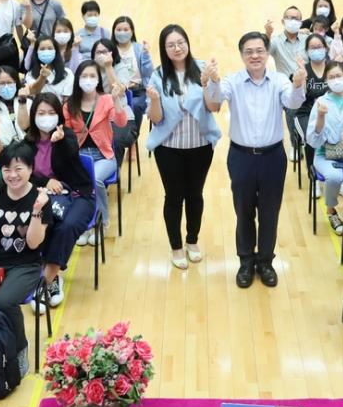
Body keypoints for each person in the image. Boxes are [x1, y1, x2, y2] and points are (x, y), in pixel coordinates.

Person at [204, 32, 306, 288]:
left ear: (267, 53)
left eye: (260, 50)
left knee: (270, 212)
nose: (255, 55)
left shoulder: (280, 80)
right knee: (244, 211)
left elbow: (293, 101)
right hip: (241, 157)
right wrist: (213, 81)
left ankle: (266, 261)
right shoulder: (233, 81)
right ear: (241, 55)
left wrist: (298, 83)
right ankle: (246, 261)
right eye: (249, 51)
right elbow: (215, 100)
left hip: (273, 157)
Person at [0, 141, 51, 377]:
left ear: (30, 168)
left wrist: (36, 211)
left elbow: (34, 244)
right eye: (7, 169)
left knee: (4, 302)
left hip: (25, 264)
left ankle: (19, 348)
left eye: (18, 169)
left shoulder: (40, 199)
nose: (12, 175)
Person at [147, 25, 222, 269]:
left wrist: (209, 83)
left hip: (200, 146)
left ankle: (192, 240)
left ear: (188, 43)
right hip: (169, 149)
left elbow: (214, 107)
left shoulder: (202, 68)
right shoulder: (158, 76)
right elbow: (156, 118)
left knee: (195, 194)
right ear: (164, 49)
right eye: (171, 45)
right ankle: (176, 246)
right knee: (173, 196)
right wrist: (154, 101)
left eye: (181, 42)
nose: (177, 48)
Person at [27, 92, 95, 309]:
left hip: (78, 194)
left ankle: (43, 283)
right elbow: (22, 174)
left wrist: (61, 141)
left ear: (58, 115)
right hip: (45, 197)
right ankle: (53, 277)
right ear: (33, 115)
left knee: (68, 225)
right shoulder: (28, 142)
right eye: (41, 113)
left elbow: (72, 154)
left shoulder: (67, 135)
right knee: (46, 222)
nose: (46, 117)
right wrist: (45, 181)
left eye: (51, 113)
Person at [64, 59, 131, 245]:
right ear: (78, 79)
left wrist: (116, 100)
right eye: (84, 76)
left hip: (104, 156)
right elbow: (67, 133)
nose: (88, 79)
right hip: (80, 157)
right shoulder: (70, 104)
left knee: (95, 179)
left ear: (98, 79)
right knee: (77, 181)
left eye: (92, 76)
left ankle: (101, 221)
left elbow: (121, 123)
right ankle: (85, 224)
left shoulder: (106, 99)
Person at [305, 62, 343, 235]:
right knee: (334, 176)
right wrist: (320, 117)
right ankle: (331, 210)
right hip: (325, 154)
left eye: (339, 76)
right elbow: (312, 139)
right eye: (331, 77)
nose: (336, 80)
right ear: (326, 81)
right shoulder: (321, 102)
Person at [110, 15, 154, 130]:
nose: (122, 33)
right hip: (117, 92)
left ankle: (132, 137)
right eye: (119, 30)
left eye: (126, 29)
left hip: (138, 91)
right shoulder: (110, 49)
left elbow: (148, 72)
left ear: (132, 31)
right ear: (113, 32)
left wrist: (146, 54)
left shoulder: (139, 48)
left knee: (135, 106)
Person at [0, 66, 27, 153]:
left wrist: (23, 102)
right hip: (4, 152)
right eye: (2, 83)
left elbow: (25, 126)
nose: (6, 86)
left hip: (26, 149)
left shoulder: (27, 101)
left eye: (9, 82)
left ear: (16, 82)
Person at [264, 6, 308, 76]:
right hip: (284, 82)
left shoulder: (308, 39)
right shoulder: (276, 41)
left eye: (296, 19)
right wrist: (268, 34)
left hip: (305, 81)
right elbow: (264, 52)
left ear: (301, 23)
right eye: (289, 18)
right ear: (283, 21)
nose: (293, 21)